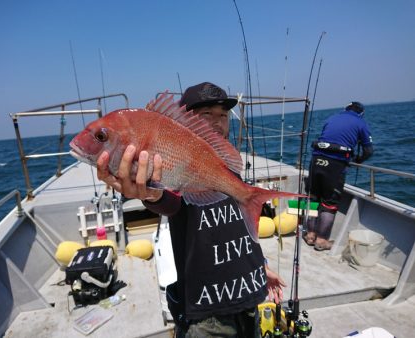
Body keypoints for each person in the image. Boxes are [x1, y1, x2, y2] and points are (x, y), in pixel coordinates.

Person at [97, 82, 286, 337]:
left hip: (250, 298)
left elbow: (239, 230)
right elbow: (169, 201)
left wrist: (260, 267)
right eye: (206, 114)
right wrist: (150, 194)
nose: (217, 122)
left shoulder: (227, 170)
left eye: (223, 115)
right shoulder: (174, 167)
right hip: (207, 316)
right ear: (184, 122)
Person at [304, 101, 373, 251]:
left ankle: (310, 235)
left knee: (313, 198)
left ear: (345, 109)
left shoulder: (332, 118)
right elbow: (368, 151)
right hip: (335, 164)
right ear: (361, 113)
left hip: (316, 160)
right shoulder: (361, 123)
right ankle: (321, 241)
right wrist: (358, 160)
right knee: (329, 204)